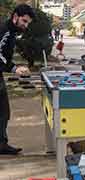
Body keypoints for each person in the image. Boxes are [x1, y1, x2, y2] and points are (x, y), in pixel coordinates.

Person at [0, 4, 35, 154]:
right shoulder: (4, 31)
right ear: (15, 17)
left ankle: (1, 144)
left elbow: (5, 57)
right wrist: (14, 68)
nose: (25, 25)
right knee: (2, 110)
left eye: (28, 23)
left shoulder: (12, 32)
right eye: (24, 21)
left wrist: (15, 67)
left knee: (3, 111)